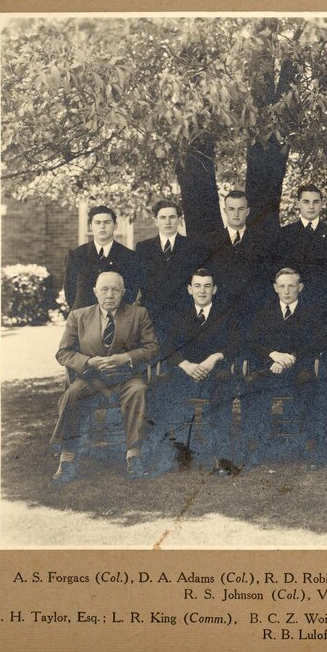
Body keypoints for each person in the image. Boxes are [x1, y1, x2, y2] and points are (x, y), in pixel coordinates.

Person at [51, 271, 159, 482]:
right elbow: (63, 353)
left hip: (126, 377)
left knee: (139, 390)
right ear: (95, 292)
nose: (110, 295)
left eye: (115, 290)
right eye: (104, 289)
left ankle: (134, 456)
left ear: (123, 292)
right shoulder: (78, 316)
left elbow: (152, 347)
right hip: (91, 378)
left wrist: (126, 357)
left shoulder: (138, 314)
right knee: (71, 394)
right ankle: (67, 458)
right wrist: (87, 362)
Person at [242, 268, 323, 465]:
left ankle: (310, 447)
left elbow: (317, 343)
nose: (287, 291)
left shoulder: (311, 313)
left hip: (299, 369)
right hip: (270, 368)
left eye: (291, 286)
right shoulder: (264, 313)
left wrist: (292, 358)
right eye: (282, 286)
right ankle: (255, 447)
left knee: (309, 383)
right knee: (251, 383)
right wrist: (273, 356)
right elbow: (252, 342)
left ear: (300, 287)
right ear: (275, 288)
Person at [161, 268, 238, 467]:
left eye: (207, 286)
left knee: (225, 388)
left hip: (215, 373)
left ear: (214, 289)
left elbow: (236, 344)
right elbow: (167, 346)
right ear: (190, 289)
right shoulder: (179, 316)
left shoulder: (226, 315)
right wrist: (185, 364)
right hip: (185, 373)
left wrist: (215, 357)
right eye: (197, 286)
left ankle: (221, 453)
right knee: (169, 389)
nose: (202, 291)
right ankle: (180, 452)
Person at [201, 190, 277, 326]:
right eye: (231, 209)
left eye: (241, 209)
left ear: (247, 211)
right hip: (220, 313)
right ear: (225, 211)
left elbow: (268, 277)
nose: (236, 214)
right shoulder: (211, 241)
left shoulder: (263, 240)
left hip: (255, 312)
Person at [135, 199, 205, 343]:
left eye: (172, 217)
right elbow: (139, 282)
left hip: (183, 315)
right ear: (156, 220)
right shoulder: (143, 248)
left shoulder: (192, 247)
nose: (168, 222)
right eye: (163, 217)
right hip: (152, 316)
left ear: (179, 220)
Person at [277, 184, 327, 322]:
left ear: (321, 204)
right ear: (298, 203)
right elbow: (280, 273)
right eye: (306, 202)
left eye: (315, 202)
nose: (311, 206)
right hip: (293, 309)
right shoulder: (285, 234)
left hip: (323, 310)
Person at [63, 205, 142, 311]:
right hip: (84, 315)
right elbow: (70, 292)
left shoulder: (129, 257)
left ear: (115, 226)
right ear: (90, 226)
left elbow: (131, 293)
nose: (102, 226)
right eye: (97, 222)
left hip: (117, 316)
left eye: (107, 222)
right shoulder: (76, 255)